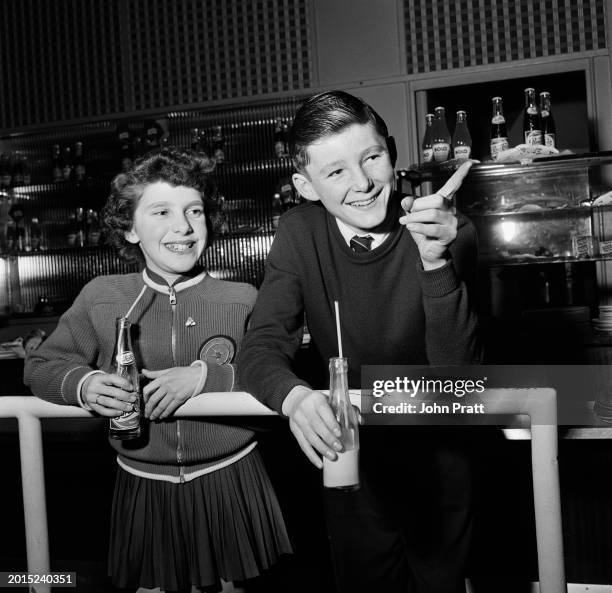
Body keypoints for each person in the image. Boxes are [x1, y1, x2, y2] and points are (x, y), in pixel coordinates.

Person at [237, 91, 480, 593]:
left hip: (440, 462)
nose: (364, 184)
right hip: (353, 463)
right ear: (305, 186)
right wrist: (294, 397)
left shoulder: (450, 230)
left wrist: (436, 262)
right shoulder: (299, 232)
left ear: (391, 151)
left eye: (372, 158)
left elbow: (462, 377)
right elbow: (260, 347)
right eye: (336, 172)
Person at [24, 148, 292, 593]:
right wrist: (85, 384)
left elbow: (280, 369)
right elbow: (43, 365)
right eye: (161, 211)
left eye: (194, 211)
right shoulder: (101, 296)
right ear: (129, 229)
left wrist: (208, 378)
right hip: (143, 484)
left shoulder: (242, 297)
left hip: (230, 478)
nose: (183, 227)